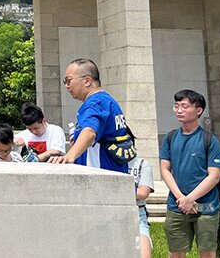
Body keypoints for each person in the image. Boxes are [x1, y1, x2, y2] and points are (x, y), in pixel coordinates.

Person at [160, 90, 220, 258]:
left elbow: (214, 176)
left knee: (207, 252)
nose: (179, 110)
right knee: (176, 253)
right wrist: (181, 197)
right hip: (177, 205)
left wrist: (190, 199)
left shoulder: (209, 140)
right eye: (177, 106)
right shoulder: (170, 137)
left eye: (184, 106)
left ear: (199, 110)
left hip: (206, 207)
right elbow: (165, 169)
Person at [48, 58, 131, 173]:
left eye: (69, 80)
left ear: (87, 81)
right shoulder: (108, 102)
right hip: (113, 175)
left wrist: (68, 156)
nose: (67, 86)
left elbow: (90, 131)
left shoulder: (96, 103)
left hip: (99, 177)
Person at [126, 126, 153, 258]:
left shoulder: (142, 164)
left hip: (138, 214)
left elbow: (143, 193)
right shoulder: (107, 163)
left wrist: (115, 190)